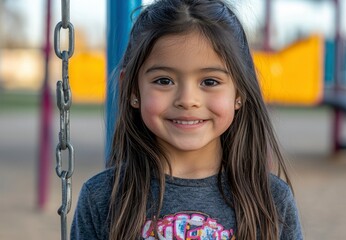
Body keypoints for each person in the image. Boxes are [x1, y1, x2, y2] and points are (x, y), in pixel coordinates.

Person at [71, 0, 303, 239]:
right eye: (164, 81)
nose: (187, 100)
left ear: (240, 92)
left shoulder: (271, 199)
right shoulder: (102, 196)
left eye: (210, 82)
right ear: (132, 90)